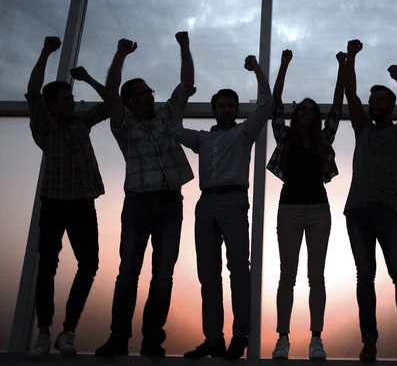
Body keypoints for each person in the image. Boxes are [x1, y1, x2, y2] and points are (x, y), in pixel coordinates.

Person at [95, 32, 195, 358]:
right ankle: (119, 338)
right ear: (130, 101)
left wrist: (184, 47)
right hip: (138, 203)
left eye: (149, 91)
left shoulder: (166, 114)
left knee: (162, 276)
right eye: (142, 93)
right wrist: (121, 55)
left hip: (170, 202)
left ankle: (152, 338)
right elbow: (110, 91)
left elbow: (186, 83)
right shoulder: (123, 124)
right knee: (128, 274)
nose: (149, 96)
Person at [172, 55, 274, 361]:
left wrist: (257, 69)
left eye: (231, 105)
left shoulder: (244, 133)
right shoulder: (203, 140)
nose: (226, 110)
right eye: (221, 106)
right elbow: (174, 128)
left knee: (239, 270)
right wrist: (182, 96)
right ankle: (213, 338)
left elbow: (267, 104)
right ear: (215, 110)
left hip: (232, 201)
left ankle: (240, 334)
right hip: (206, 203)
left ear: (236, 109)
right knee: (208, 274)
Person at [26, 36, 109, 357]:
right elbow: (33, 92)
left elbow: (110, 102)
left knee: (89, 264)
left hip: (83, 204)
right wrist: (46, 52)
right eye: (65, 99)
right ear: (51, 105)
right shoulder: (45, 127)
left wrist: (88, 78)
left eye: (71, 97)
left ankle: (67, 331)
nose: (71, 102)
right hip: (54, 204)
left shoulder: (81, 124)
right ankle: (44, 332)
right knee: (47, 265)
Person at [343, 39, 397, 362]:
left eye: (380, 100)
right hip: (358, 212)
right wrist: (351, 58)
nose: (374, 103)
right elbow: (350, 94)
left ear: (390, 106)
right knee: (365, 275)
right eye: (372, 100)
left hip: (389, 212)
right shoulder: (363, 129)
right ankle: (369, 340)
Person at [267, 49, 346, 360]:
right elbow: (275, 103)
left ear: (315, 117)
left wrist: (343, 66)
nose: (306, 112)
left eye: (312, 110)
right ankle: (283, 338)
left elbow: (338, 105)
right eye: (302, 108)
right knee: (287, 275)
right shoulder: (284, 138)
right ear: (296, 112)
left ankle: (316, 338)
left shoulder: (323, 140)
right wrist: (284, 65)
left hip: (318, 210)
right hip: (288, 209)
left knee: (317, 275)